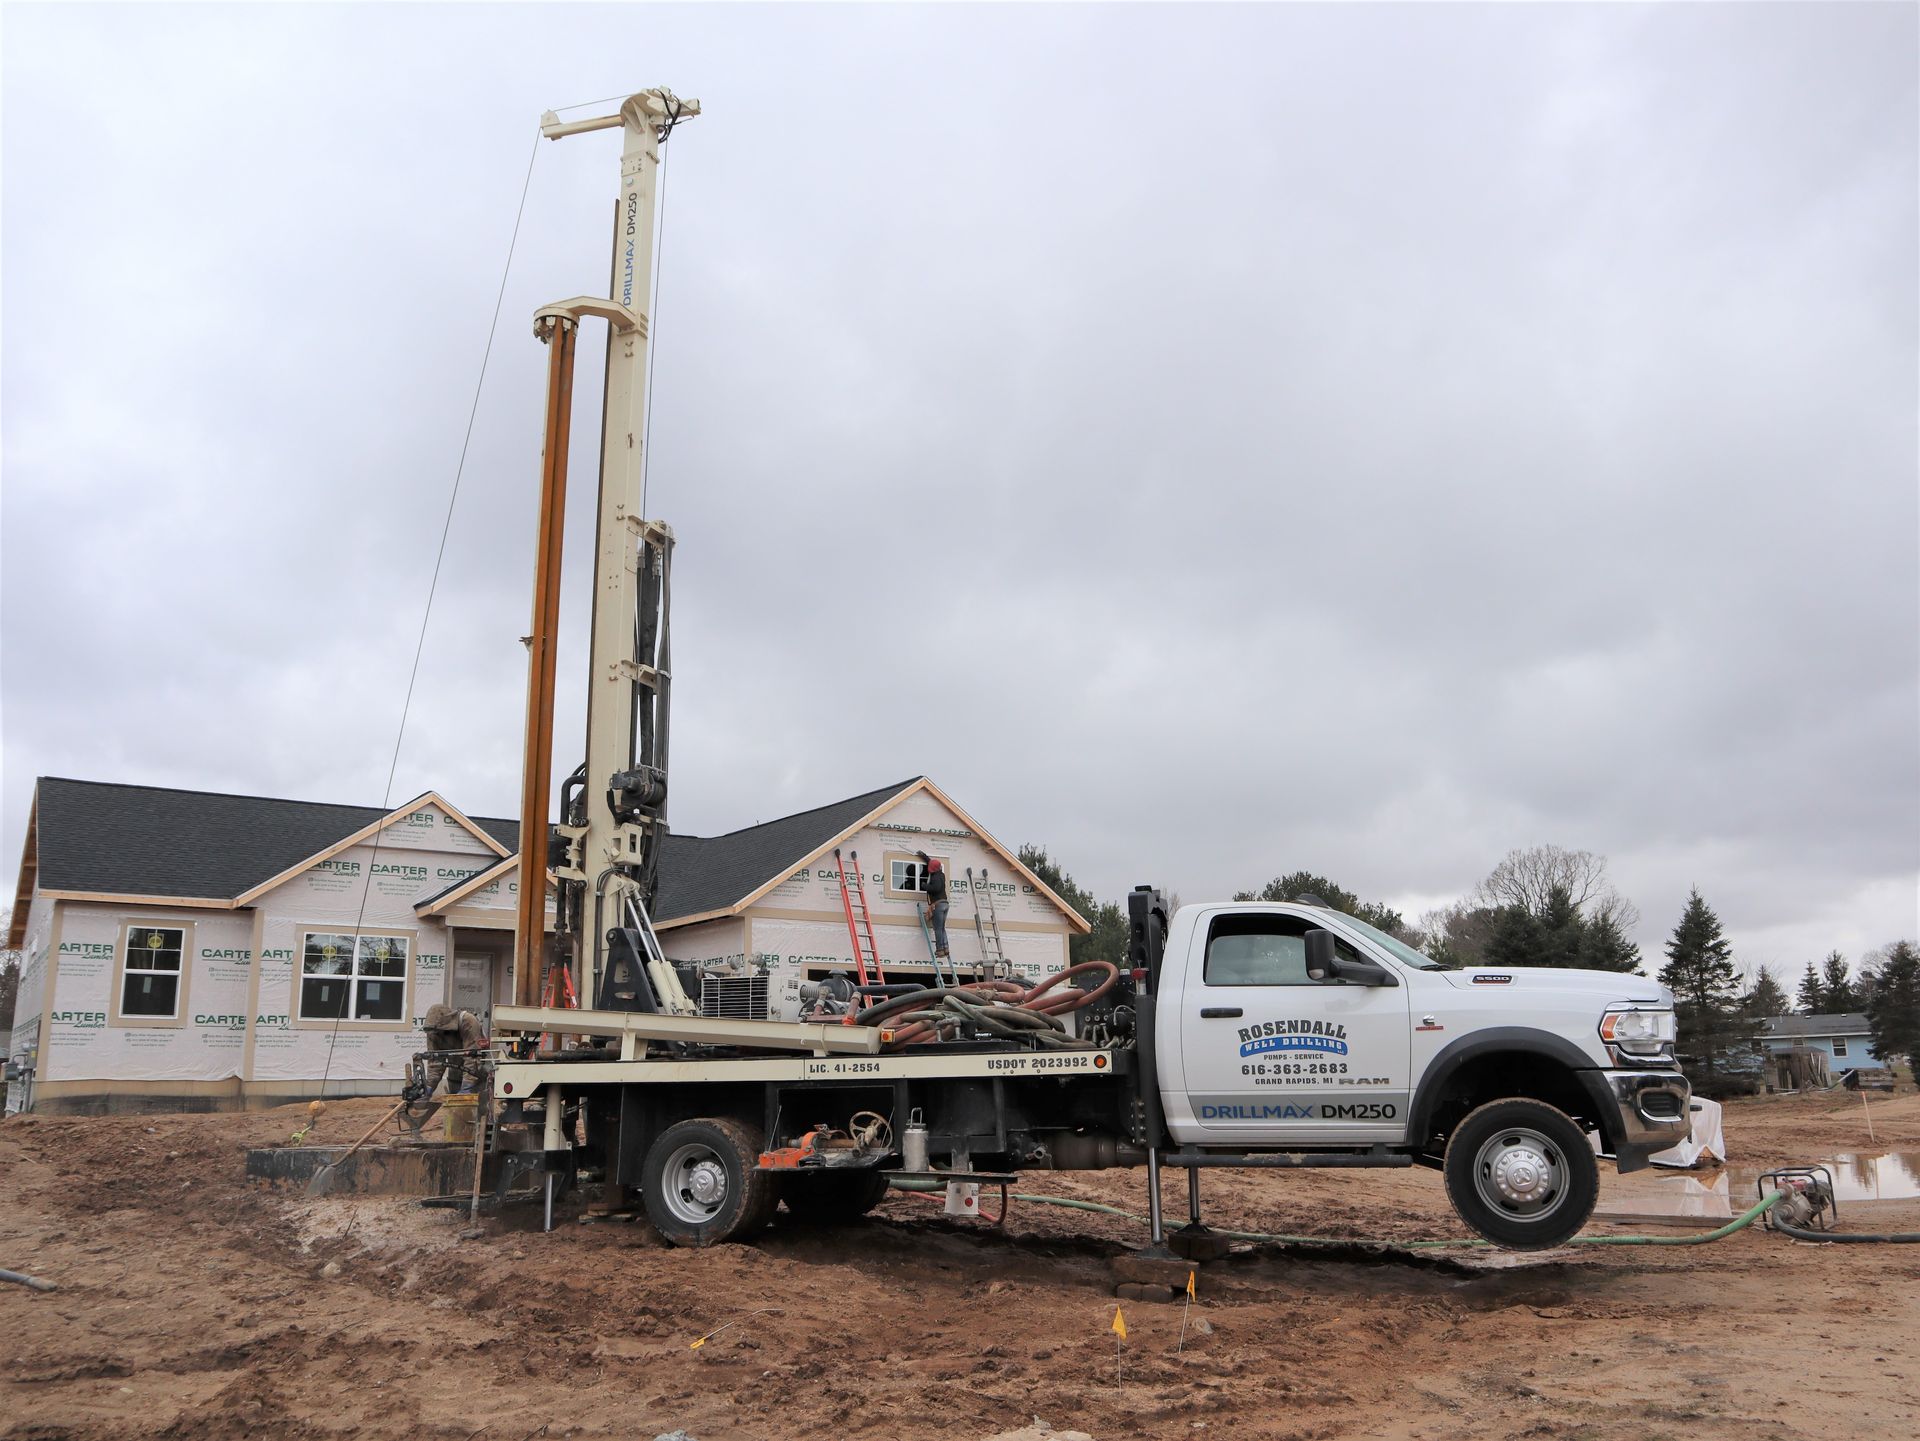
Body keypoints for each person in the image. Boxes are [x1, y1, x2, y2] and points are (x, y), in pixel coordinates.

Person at [420, 1003, 488, 1095]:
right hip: (455, 1071)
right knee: (454, 1106)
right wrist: (428, 1087)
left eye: (439, 1031)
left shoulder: (467, 1021)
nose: (437, 1034)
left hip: (477, 1071)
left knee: (477, 1106)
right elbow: (435, 1064)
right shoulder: (433, 1031)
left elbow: (473, 1058)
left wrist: (467, 1086)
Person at [917, 851, 951, 960]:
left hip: (938, 905)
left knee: (937, 928)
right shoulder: (941, 874)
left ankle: (940, 950)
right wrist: (925, 857)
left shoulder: (935, 877)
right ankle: (945, 947)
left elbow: (936, 888)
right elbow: (932, 863)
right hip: (945, 904)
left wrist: (924, 886)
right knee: (942, 928)